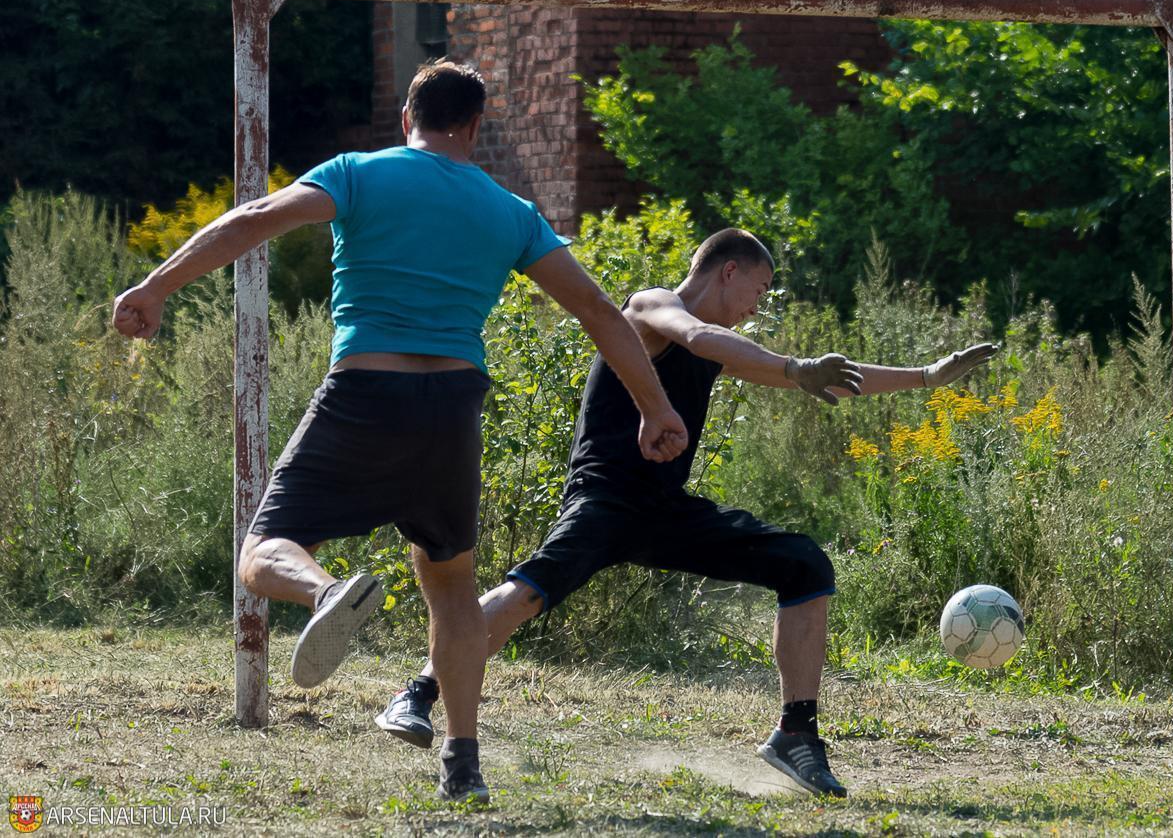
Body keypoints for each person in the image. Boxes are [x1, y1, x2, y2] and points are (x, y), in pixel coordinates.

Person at [111, 60, 689, 803]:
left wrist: (155, 285)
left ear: (407, 117)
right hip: (452, 407)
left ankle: (327, 593)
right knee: (452, 587)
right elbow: (599, 312)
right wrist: (656, 408)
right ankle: (463, 762)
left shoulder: (358, 173)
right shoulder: (512, 211)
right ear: (474, 127)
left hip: (365, 393)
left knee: (262, 553)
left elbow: (251, 220)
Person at [373, 227, 997, 798]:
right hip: (606, 499)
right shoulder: (651, 306)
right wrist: (794, 365)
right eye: (759, 290)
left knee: (805, 565)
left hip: (665, 510)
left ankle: (796, 735)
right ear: (728, 271)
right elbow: (697, 335)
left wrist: (926, 377)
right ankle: (417, 693)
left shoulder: (719, 343)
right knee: (525, 595)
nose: (757, 306)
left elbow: (821, 379)